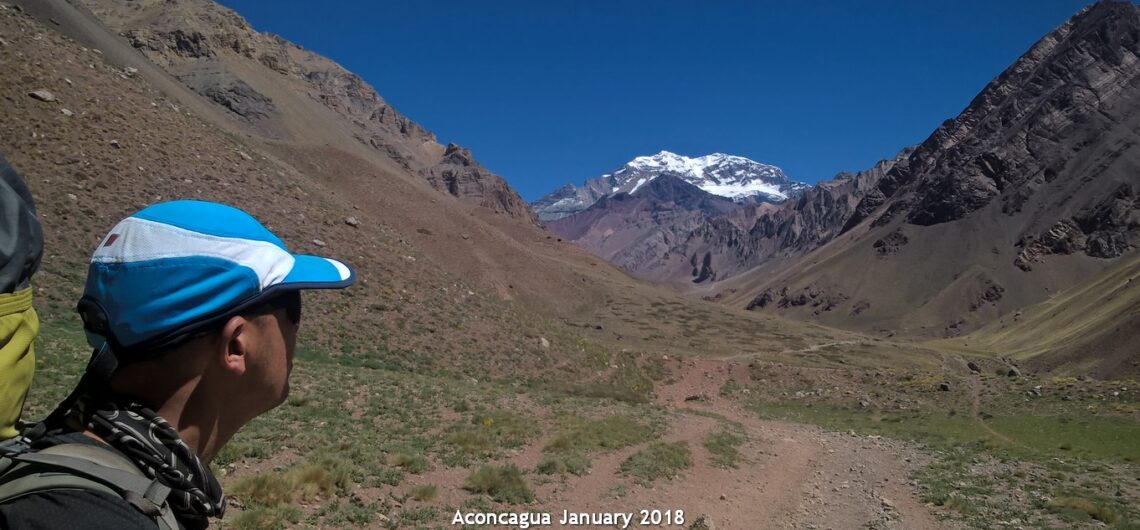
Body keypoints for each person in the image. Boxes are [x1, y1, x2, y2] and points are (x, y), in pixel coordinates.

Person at [0, 199, 355, 529]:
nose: (296, 329)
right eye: (292, 306)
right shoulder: (95, 519)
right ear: (235, 344)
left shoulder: (71, 470)